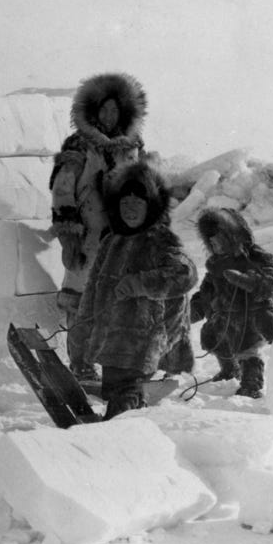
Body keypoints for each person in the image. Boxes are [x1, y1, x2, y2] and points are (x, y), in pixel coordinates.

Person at [75, 160, 197, 419]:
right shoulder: (111, 242)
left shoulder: (160, 240)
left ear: (150, 206)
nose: (129, 209)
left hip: (144, 338)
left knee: (125, 394)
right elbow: (93, 291)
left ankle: (120, 428)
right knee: (115, 391)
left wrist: (140, 283)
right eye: (124, 202)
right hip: (111, 339)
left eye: (137, 202)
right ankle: (125, 425)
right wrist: (81, 332)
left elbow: (185, 274)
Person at [49, 72, 148, 381]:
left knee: (118, 301)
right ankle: (81, 363)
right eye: (104, 109)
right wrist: (69, 234)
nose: (109, 115)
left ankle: (114, 365)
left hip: (122, 238)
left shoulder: (132, 147)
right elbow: (63, 189)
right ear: (93, 111)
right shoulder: (79, 145)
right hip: (88, 237)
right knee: (82, 301)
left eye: (114, 110)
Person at [189, 208, 273, 399]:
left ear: (232, 236)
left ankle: (251, 383)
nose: (215, 245)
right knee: (217, 339)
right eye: (211, 242)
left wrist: (246, 281)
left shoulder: (256, 257)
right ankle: (229, 370)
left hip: (253, 313)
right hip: (225, 314)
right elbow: (207, 291)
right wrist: (193, 309)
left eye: (218, 239)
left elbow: (272, 282)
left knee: (246, 348)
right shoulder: (216, 264)